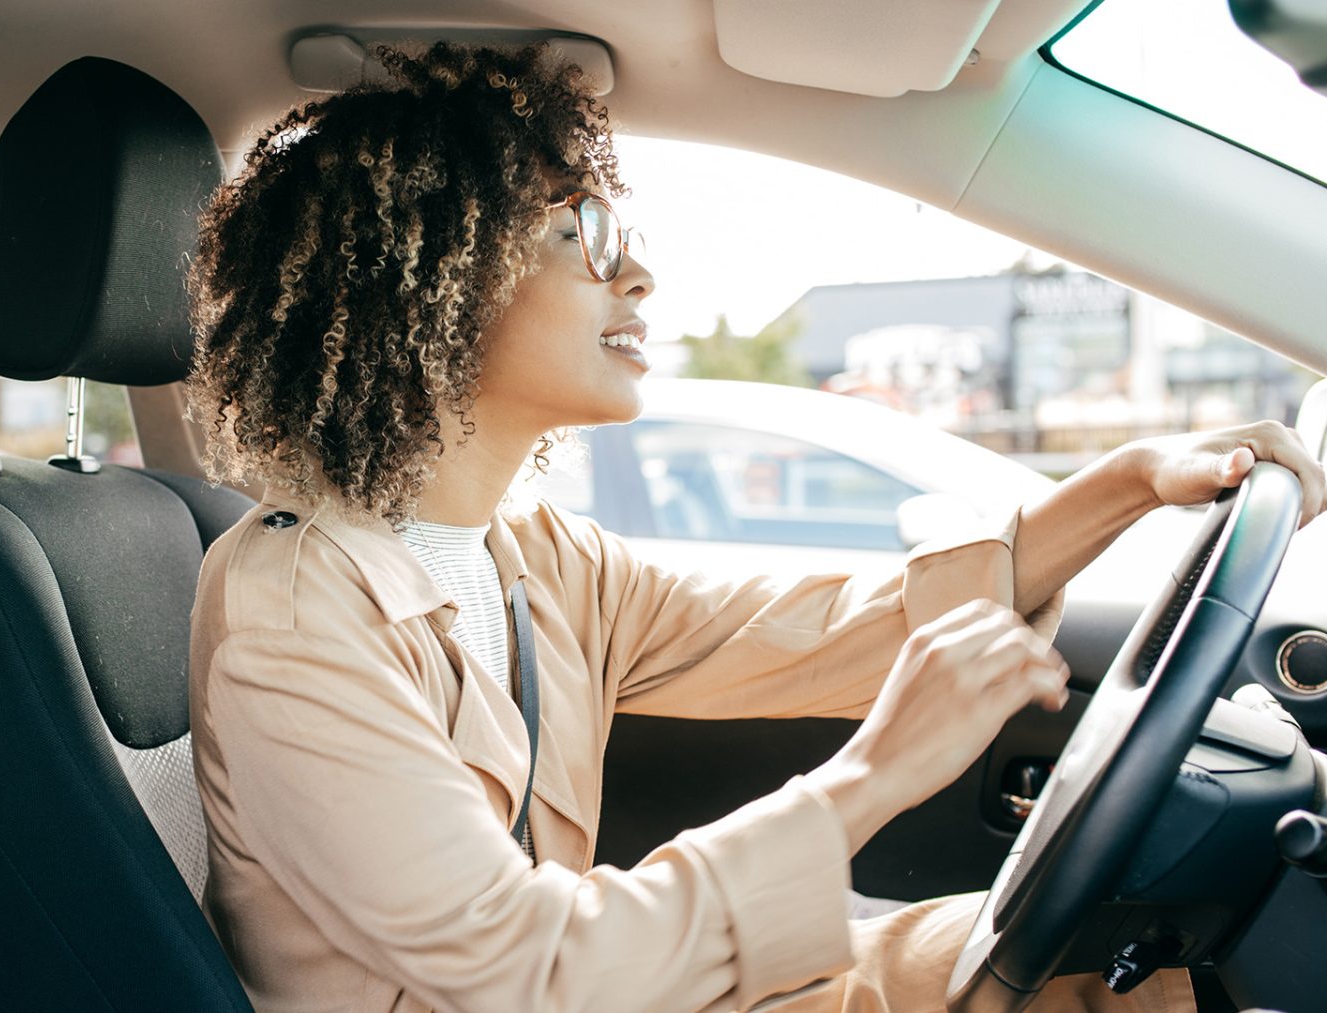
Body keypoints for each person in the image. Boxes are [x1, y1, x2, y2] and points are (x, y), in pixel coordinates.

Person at [181, 43, 1325, 1012]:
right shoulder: (294, 615)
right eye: (584, 230)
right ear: (426, 276)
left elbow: (838, 630)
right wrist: (874, 771)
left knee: (1099, 962)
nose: (638, 273)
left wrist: (1126, 484)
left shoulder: (529, 555)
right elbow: (524, 968)